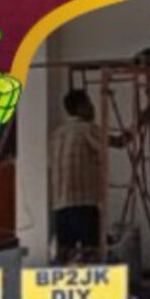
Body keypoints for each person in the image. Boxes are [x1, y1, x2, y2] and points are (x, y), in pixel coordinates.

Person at [50, 87, 107, 262]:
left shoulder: (57, 134)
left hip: (61, 205)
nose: (93, 108)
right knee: (91, 254)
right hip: (84, 204)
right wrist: (141, 122)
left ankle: (63, 279)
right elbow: (118, 142)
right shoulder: (86, 129)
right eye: (89, 104)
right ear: (80, 107)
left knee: (64, 256)